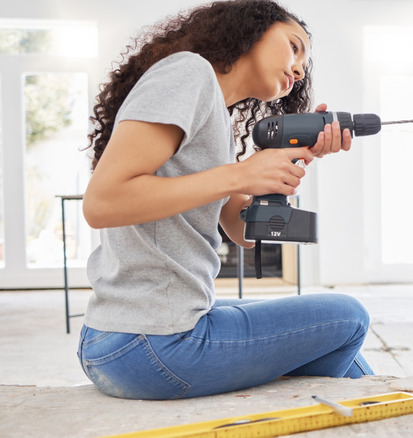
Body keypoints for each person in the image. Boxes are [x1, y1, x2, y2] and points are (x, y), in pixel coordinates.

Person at [77, 0, 373, 400]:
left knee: (324, 338)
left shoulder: (218, 116)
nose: (300, 69)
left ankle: (367, 403)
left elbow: (241, 231)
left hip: (129, 337)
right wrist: (242, 173)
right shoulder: (189, 72)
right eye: (293, 46)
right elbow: (102, 204)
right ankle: (358, 407)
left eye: (304, 62)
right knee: (348, 317)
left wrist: (285, 164)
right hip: (151, 341)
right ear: (250, 31)